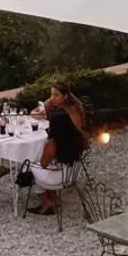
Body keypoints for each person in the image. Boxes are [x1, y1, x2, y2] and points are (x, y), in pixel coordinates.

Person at [29, 82, 89, 215]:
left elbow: (46, 158)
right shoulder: (76, 111)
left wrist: (38, 163)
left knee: (30, 165)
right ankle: (53, 198)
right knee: (48, 160)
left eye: (56, 95)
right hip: (72, 169)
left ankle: (46, 202)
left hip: (60, 176)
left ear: (65, 96)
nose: (52, 98)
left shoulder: (58, 120)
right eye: (51, 95)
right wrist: (52, 100)